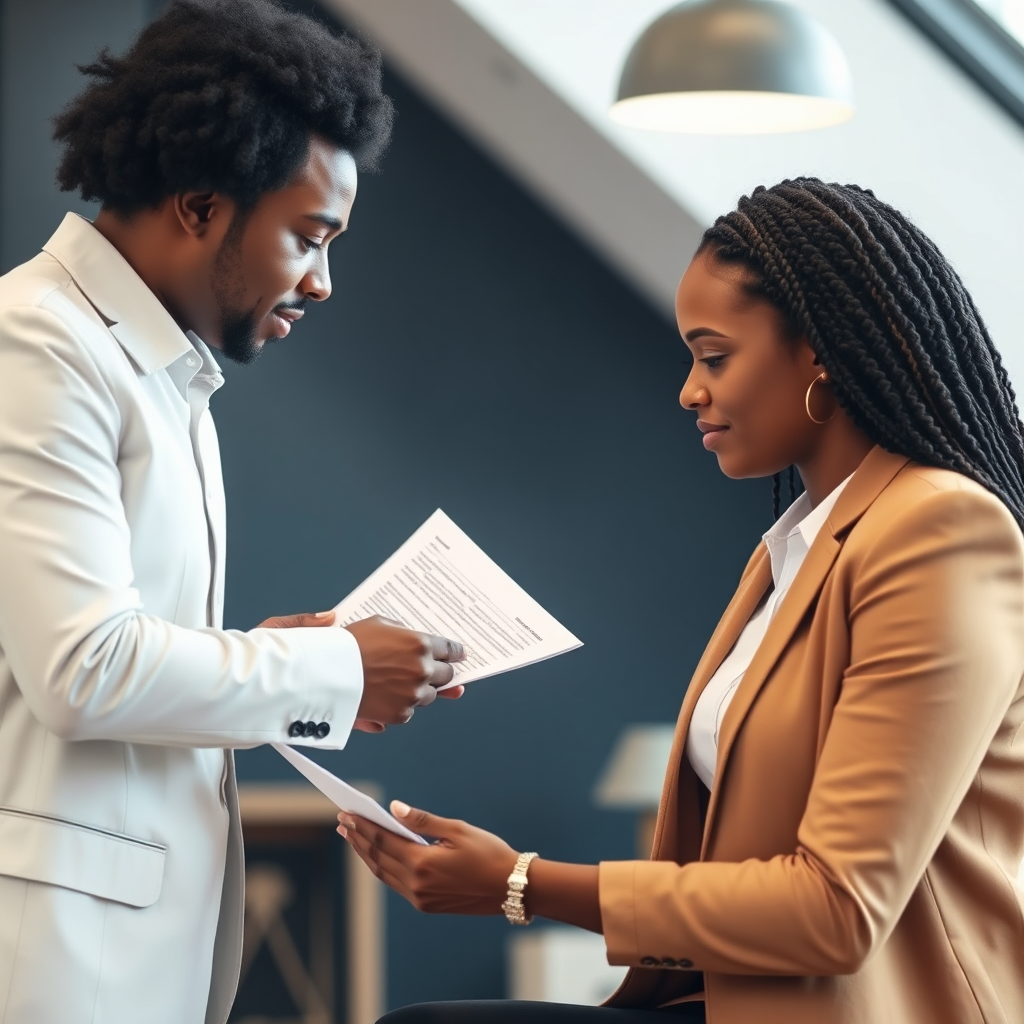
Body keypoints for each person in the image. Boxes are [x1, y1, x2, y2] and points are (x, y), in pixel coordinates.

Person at [338, 178, 1024, 1024]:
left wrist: (520, 882)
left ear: (819, 353)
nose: (689, 390)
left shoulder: (940, 531)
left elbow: (838, 911)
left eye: (715, 357)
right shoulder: (793, 552)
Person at [0, 3, 467, 1023]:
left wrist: (271, 653)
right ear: (201, 206)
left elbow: (110, 654)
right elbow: (83, 670)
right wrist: (332, 669)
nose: (323, 282)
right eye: (309, 237)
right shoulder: (36, 343)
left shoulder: (164, 371)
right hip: (54, 964)